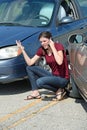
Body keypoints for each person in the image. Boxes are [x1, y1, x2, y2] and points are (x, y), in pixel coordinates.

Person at [16, 31, 69, 101]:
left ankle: (61, 89)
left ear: (50, 39)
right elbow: (30, 62)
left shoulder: (58, 46)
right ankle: (35, 92)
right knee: (29, 68)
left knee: (39, 82)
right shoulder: (42, 50)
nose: (42, 43)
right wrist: (22, 50)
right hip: (53, 76)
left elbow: (59, 62)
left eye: (44, 41)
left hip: (63, 78)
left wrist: (52, 46)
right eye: (41, 42)